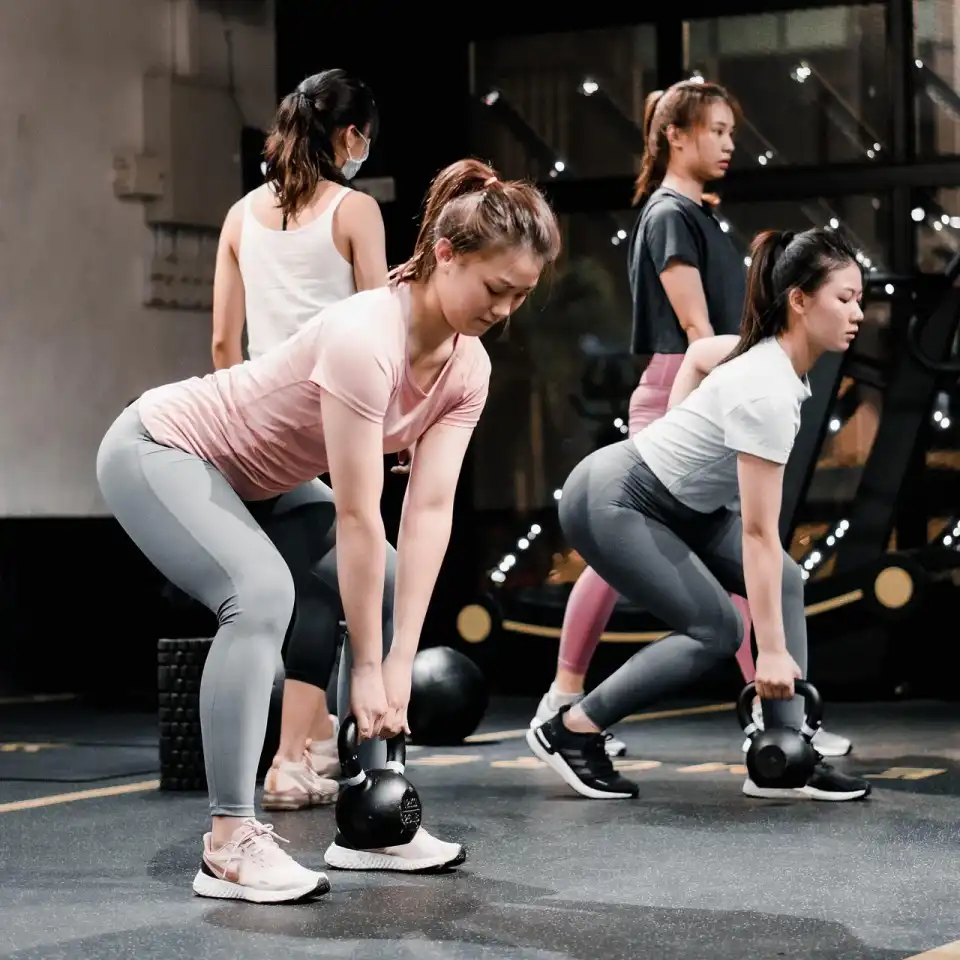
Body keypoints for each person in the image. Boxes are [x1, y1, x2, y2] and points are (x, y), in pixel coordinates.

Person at [97, 158, 561, 903]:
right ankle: (228, 843)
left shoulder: (466, 367)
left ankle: (375, 822)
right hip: (164, 447)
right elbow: (355, 510)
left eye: (522, 295)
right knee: (260, 594)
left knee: (380, 578)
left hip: (262, 480)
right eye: (495, 288)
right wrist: (369, 671)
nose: (504, 309)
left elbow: (430, 509)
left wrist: (401, 659)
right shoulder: (364, 335)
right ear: (446, 254)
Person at [531, 80, 852, 760]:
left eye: (733, 131)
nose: (730, 143)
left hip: (694, 395)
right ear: (676, 135)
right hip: (681, 398)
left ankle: (779, 721)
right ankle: (571, 706)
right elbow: (697, 331)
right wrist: (698, 415)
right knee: (675, 569)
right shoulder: (671, 213)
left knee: (680, 564)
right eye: (717, 130)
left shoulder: (694, 212)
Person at [527, 227, 872, 805]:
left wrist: (678, 431)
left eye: (860, 298)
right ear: (800, 300)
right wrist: (777, 653)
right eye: (845, 298)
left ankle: (783, 752)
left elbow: (699, 353)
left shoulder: (770, 360)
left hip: (678, 505)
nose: (857, 312)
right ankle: (572, 729)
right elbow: (761, 535)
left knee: (786, 579)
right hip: (615, 498)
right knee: (719, 629)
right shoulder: (767, 391)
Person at [210, 68, 388, 812]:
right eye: (366, 138)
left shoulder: (238, 216)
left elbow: (223, 345)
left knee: (317, 580)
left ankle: (312, 745)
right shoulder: (356, 211)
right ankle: (289, 759)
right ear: (348, 136)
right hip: (328, 428)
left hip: (248, 429)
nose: (366, 150)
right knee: (332, 583)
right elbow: (383, 334)